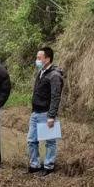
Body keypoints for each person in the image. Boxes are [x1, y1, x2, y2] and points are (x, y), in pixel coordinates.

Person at [28, 46, 64, 175]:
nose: (37, 60)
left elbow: (55, 97)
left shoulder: (54, 75)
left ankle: (49, 167)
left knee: (50, 141)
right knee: (32, 141)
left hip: (46, 113)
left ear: (47, 59)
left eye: (39, 58)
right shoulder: (41, 72)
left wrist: (51, 116)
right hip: (35, 112)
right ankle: (34, 165)